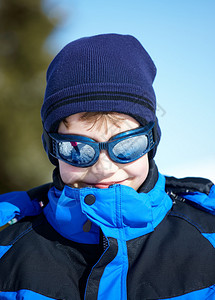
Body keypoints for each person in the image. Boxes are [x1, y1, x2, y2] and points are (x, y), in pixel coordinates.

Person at [0, 33, 215, 300]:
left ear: (151, 142)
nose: (104, 168)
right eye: (78, 149)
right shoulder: (8, 252)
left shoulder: (208, 239)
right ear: (53, 150)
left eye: (125, 146)